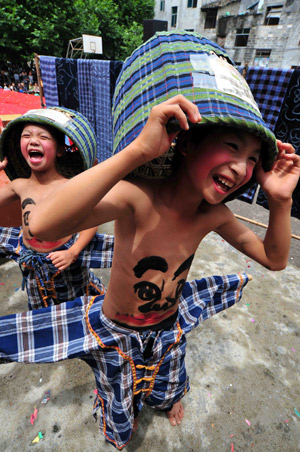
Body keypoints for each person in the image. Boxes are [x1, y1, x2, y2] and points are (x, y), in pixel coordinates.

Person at [1, 32, 299, 449]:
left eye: (252, 159)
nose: (242, 167)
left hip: (168, 324)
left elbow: (275, 259)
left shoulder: (215, 215)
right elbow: (42, 226)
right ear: (187, 144)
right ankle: (121, 427)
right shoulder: (136, 195)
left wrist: (280, 201)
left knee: (168, 378)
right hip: (117, 328)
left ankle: (167, 398)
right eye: (231, 147)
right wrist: (137, 151)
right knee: (118, 396)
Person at [0, 108, 114, 309]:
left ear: (60, 150)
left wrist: (73, 251)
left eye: (43, 137)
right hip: (33, 264)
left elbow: (90, 222)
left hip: (66, 261)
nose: (33, 140)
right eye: (27, 135)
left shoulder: (68, 186)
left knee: (77, 308)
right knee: (41, 310)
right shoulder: (19, 185)